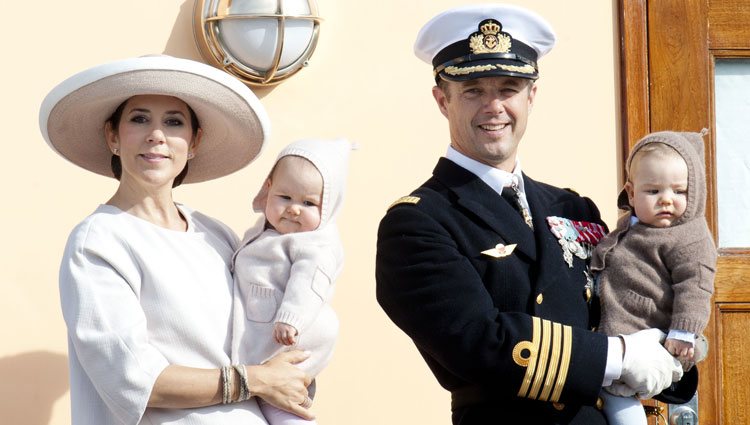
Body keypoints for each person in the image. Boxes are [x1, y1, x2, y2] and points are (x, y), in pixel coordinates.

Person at [374, 4, 684, 424]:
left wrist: (671, 349)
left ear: (531, 96)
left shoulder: (574, 207)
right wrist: (622, 356)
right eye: (473, 91)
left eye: (508, 88)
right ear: (442, 101)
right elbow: (479, 342)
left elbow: (625, 303)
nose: (494, 106)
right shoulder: (417, 223)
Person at [39, 55, 315, 425]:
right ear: (112, 136)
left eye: (174, 122)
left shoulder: (214, 234)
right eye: (139, 119)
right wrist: (256, 380)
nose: (157, 135)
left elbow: (259, 336)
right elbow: (134, 378)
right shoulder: (98, 243)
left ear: (194, 141)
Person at [592, 131, 717, 424]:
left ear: (695, 192)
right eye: (653, 192)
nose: (667, 200)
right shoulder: (633, 225)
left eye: (679, 191)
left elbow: (696, 286)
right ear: (631, 193)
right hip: (618, 325)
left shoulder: (689, 237)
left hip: (648, 332)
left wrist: (684, 332)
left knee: (620, 399)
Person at [231, 138, 352, 425]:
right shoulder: (265, 232)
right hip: (265, 341)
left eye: (308, 203)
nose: (294, 209)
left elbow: (309, 283)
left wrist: (291, 318)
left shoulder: (315, 245)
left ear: (327, 209)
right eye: (285, 197)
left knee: (284, 409)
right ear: (268, 189)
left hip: (290, 341)